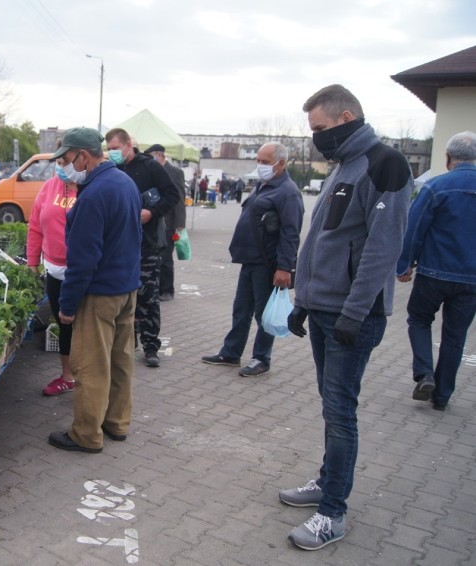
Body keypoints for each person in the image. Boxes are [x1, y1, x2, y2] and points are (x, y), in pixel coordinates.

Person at [281, 84, 412, 550]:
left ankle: (333, 512)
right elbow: (323, 241)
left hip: (351, 316)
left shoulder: (386, 165)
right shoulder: (345, 165)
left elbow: (382, 249)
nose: (316, 137)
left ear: (346, 116)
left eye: (319, 128)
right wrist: (302, 302)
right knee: (330, 405)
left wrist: (354, 313)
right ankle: (327, 481)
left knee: (340, 413)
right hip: (324, 309)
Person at [46, 127, 142, 453]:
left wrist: (68, 306)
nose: (65, 167)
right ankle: (116, 423)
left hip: (99, 294)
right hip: (126, 289)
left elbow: (82, 261)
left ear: (83, 156)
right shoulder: (125, 183)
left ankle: (86, 434)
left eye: (68, 160)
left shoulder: (94, 195)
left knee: (91, 366)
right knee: (120, 361)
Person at [201, 142, 303, 377]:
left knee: (262, 314)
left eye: (265, 162)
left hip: (267, 264)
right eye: (258, 160)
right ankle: (231, 352)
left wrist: (285, 267)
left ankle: (261, 357)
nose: (260, 166)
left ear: (281, 163)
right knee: (241, 309)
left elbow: (291, 233)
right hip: (250, 260)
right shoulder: (264, 185)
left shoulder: (288, 192)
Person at [395, 131, 476, 411]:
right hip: (471, 280)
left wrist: (405, 265)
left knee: (418, 319)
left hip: (434, 272)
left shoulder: (436, 187)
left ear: (448, 157)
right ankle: (441, 396)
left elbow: (415, 228)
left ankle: (424, 373)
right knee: (455, 336)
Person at [105, 128, 179, 367]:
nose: (112, 153)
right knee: (126, 297)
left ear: (128, 145)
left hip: (146, 245)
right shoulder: (112, 169)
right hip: (120, 246)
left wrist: (152, 212)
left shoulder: (150, 167)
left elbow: (172, 195)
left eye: (115, 148)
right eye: (109, 149)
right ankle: (129, 343)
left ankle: (150, 347)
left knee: (148, 297)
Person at [27, 147, 80, 396]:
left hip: (81, 271)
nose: (61, 166)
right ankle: (67, 377)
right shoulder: (48, 187)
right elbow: (35, 226)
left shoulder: (88, 187)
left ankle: (89, 379)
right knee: (63, 324)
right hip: (55, 270)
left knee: (85, 326)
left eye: (65, 161)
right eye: (58, 162)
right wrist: (32, 260)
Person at [144, 144, 187, 302]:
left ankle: (167, 290)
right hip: (154, 220)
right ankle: (157, 288)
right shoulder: (152, 170)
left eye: (151, 156)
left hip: (169, 222)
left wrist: (180, 223)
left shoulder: (175, 172)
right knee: (156, 256)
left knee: (166, 257)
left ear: (159, 155)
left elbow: (179, 198)